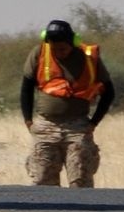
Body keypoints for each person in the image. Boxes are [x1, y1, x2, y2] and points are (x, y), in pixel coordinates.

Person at [21, 18, 116, 188]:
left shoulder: (89, 59)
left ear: (73, 42)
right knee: (43, 181)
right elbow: (26, 87)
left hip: (77, 128)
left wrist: (94, 122)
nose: (59, 52)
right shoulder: (39, 53)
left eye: (63, 49)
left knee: (80, 180)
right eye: (54, 48)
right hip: (45, 127)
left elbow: (109, 92)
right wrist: (28, 120)